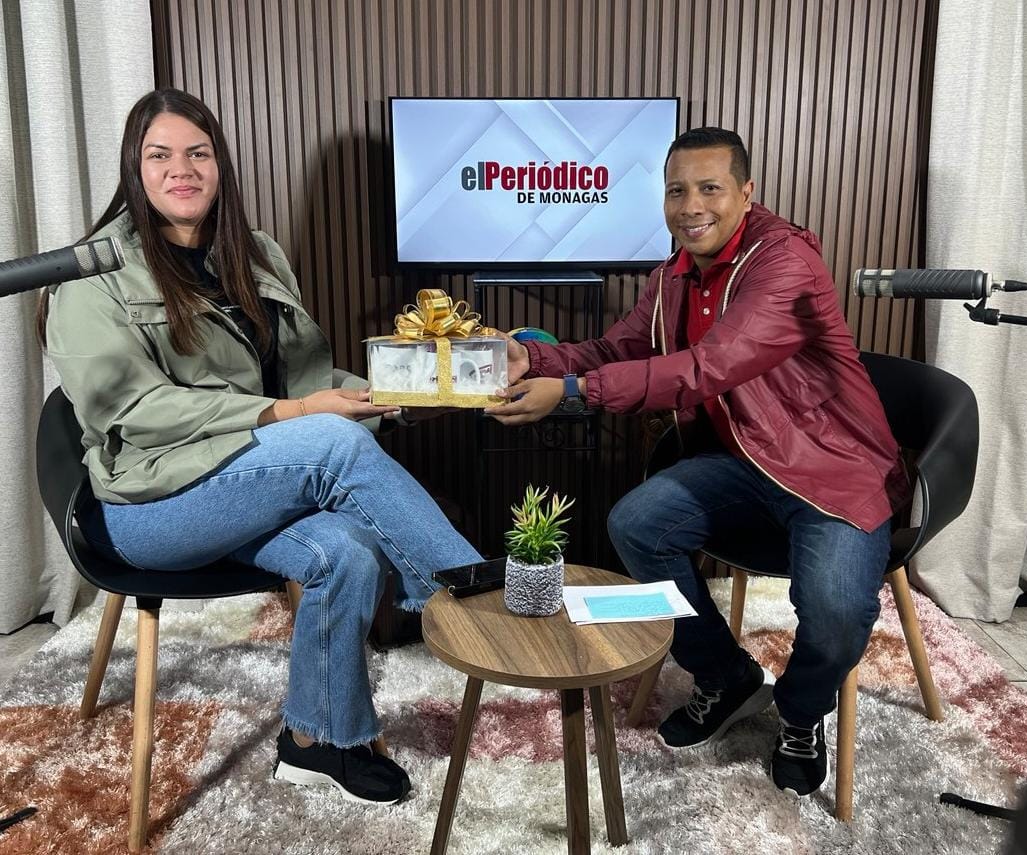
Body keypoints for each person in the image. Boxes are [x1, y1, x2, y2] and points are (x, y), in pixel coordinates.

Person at [40, 88, 483, 805]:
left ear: (220, 164)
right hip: (146, 507)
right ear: (133, 168)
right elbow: (134, 411)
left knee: (344, 549)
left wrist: (389, 396)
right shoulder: (91, 277)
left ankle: (315, 742)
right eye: (159, 155)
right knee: (329, 444)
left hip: (239, 486)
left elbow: (300, 383)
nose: (181, 169)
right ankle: (470, 600)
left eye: (198, 153)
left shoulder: (256, 254)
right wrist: (296, 413)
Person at [487, 127, 910, 797]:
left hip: (831, 471)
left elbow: (710, 366)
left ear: (746, 193)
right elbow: (616, 350)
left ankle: (800, 713)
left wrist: (573, 392)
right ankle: (724, 674)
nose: (690, 207)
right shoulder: (672, 276)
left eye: (709, 188)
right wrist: (533, 358)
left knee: (833, 614)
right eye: (676, 191)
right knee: (637, 524)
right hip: (744, 462)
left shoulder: (785, 263)